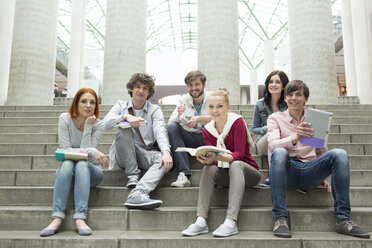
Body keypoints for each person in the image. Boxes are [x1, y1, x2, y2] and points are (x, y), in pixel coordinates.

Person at [267, 80, 370, 239]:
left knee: (340, 153)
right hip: (288, 172)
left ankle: (343, 219)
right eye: (290, 94)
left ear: (305, 99)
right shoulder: (276, 118)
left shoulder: (315, 118)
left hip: (310, 170)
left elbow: (321, 151)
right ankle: (280, 219)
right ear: (285, 99)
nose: (294, 98)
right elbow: (273, 146)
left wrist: (322, 176)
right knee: (280, 152)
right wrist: (296, 137)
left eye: (299, 94)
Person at [182, 88, 261, 237]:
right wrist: (205, 158)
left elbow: (239, 154)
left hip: (248, 173)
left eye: (219, 106)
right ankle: (201, 221)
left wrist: (217, 157)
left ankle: (230, 222)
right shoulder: (207, 130)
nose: (215, 110)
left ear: (227, 108)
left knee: (236, 164)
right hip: (226, 175)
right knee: (208, 169)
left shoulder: (237, 122)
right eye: (211, 107)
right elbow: (213, 160)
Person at [40, 88, 109, 237]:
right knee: (67, 163)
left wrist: (88, 126)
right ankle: (57, 217)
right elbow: (65, 150)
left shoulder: (98, 125)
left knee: (82, 164)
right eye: (83, 101)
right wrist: (92, 151)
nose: (88, 105)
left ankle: (80, 218)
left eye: (92, 102)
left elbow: (87, 156)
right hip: (68, 171)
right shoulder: (65, 118)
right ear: (76, 103)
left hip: (91, 173)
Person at [102, 73, 172, 210]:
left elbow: (160, 131)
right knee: (123, 129)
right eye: (137, 87)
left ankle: (138, 192)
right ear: (131, 89)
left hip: (145, 152)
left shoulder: (154, 110)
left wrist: (166, 152)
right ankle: (133, 175)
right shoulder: (120, 105)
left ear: (149, 92)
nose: (141, 91)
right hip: (124, 154)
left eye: (145, 88)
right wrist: (125, 117)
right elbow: (105, 124)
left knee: (163, 159)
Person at [168, 70, 211, 187]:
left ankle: (219, 173)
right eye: (190, 85)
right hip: (191, 137)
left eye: (197, 84)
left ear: (204, 84)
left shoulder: (212, 97)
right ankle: (183, 174)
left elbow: (221, 118)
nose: (193, 88)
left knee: (213, 128)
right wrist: (178, 115)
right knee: (172, 127)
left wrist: (199, 119)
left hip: (209, 138)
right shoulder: (183, 100)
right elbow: (171, 122)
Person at [252, 70, 289, 187]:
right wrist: (266, 129)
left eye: (277, 82)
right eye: (270, 82)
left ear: (283, 86)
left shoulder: (288, 104)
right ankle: (273, 176)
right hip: (264, 142)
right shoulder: (259, 104)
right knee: (272, 134)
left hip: (283, 141)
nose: (273, 85)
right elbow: (254, 128)